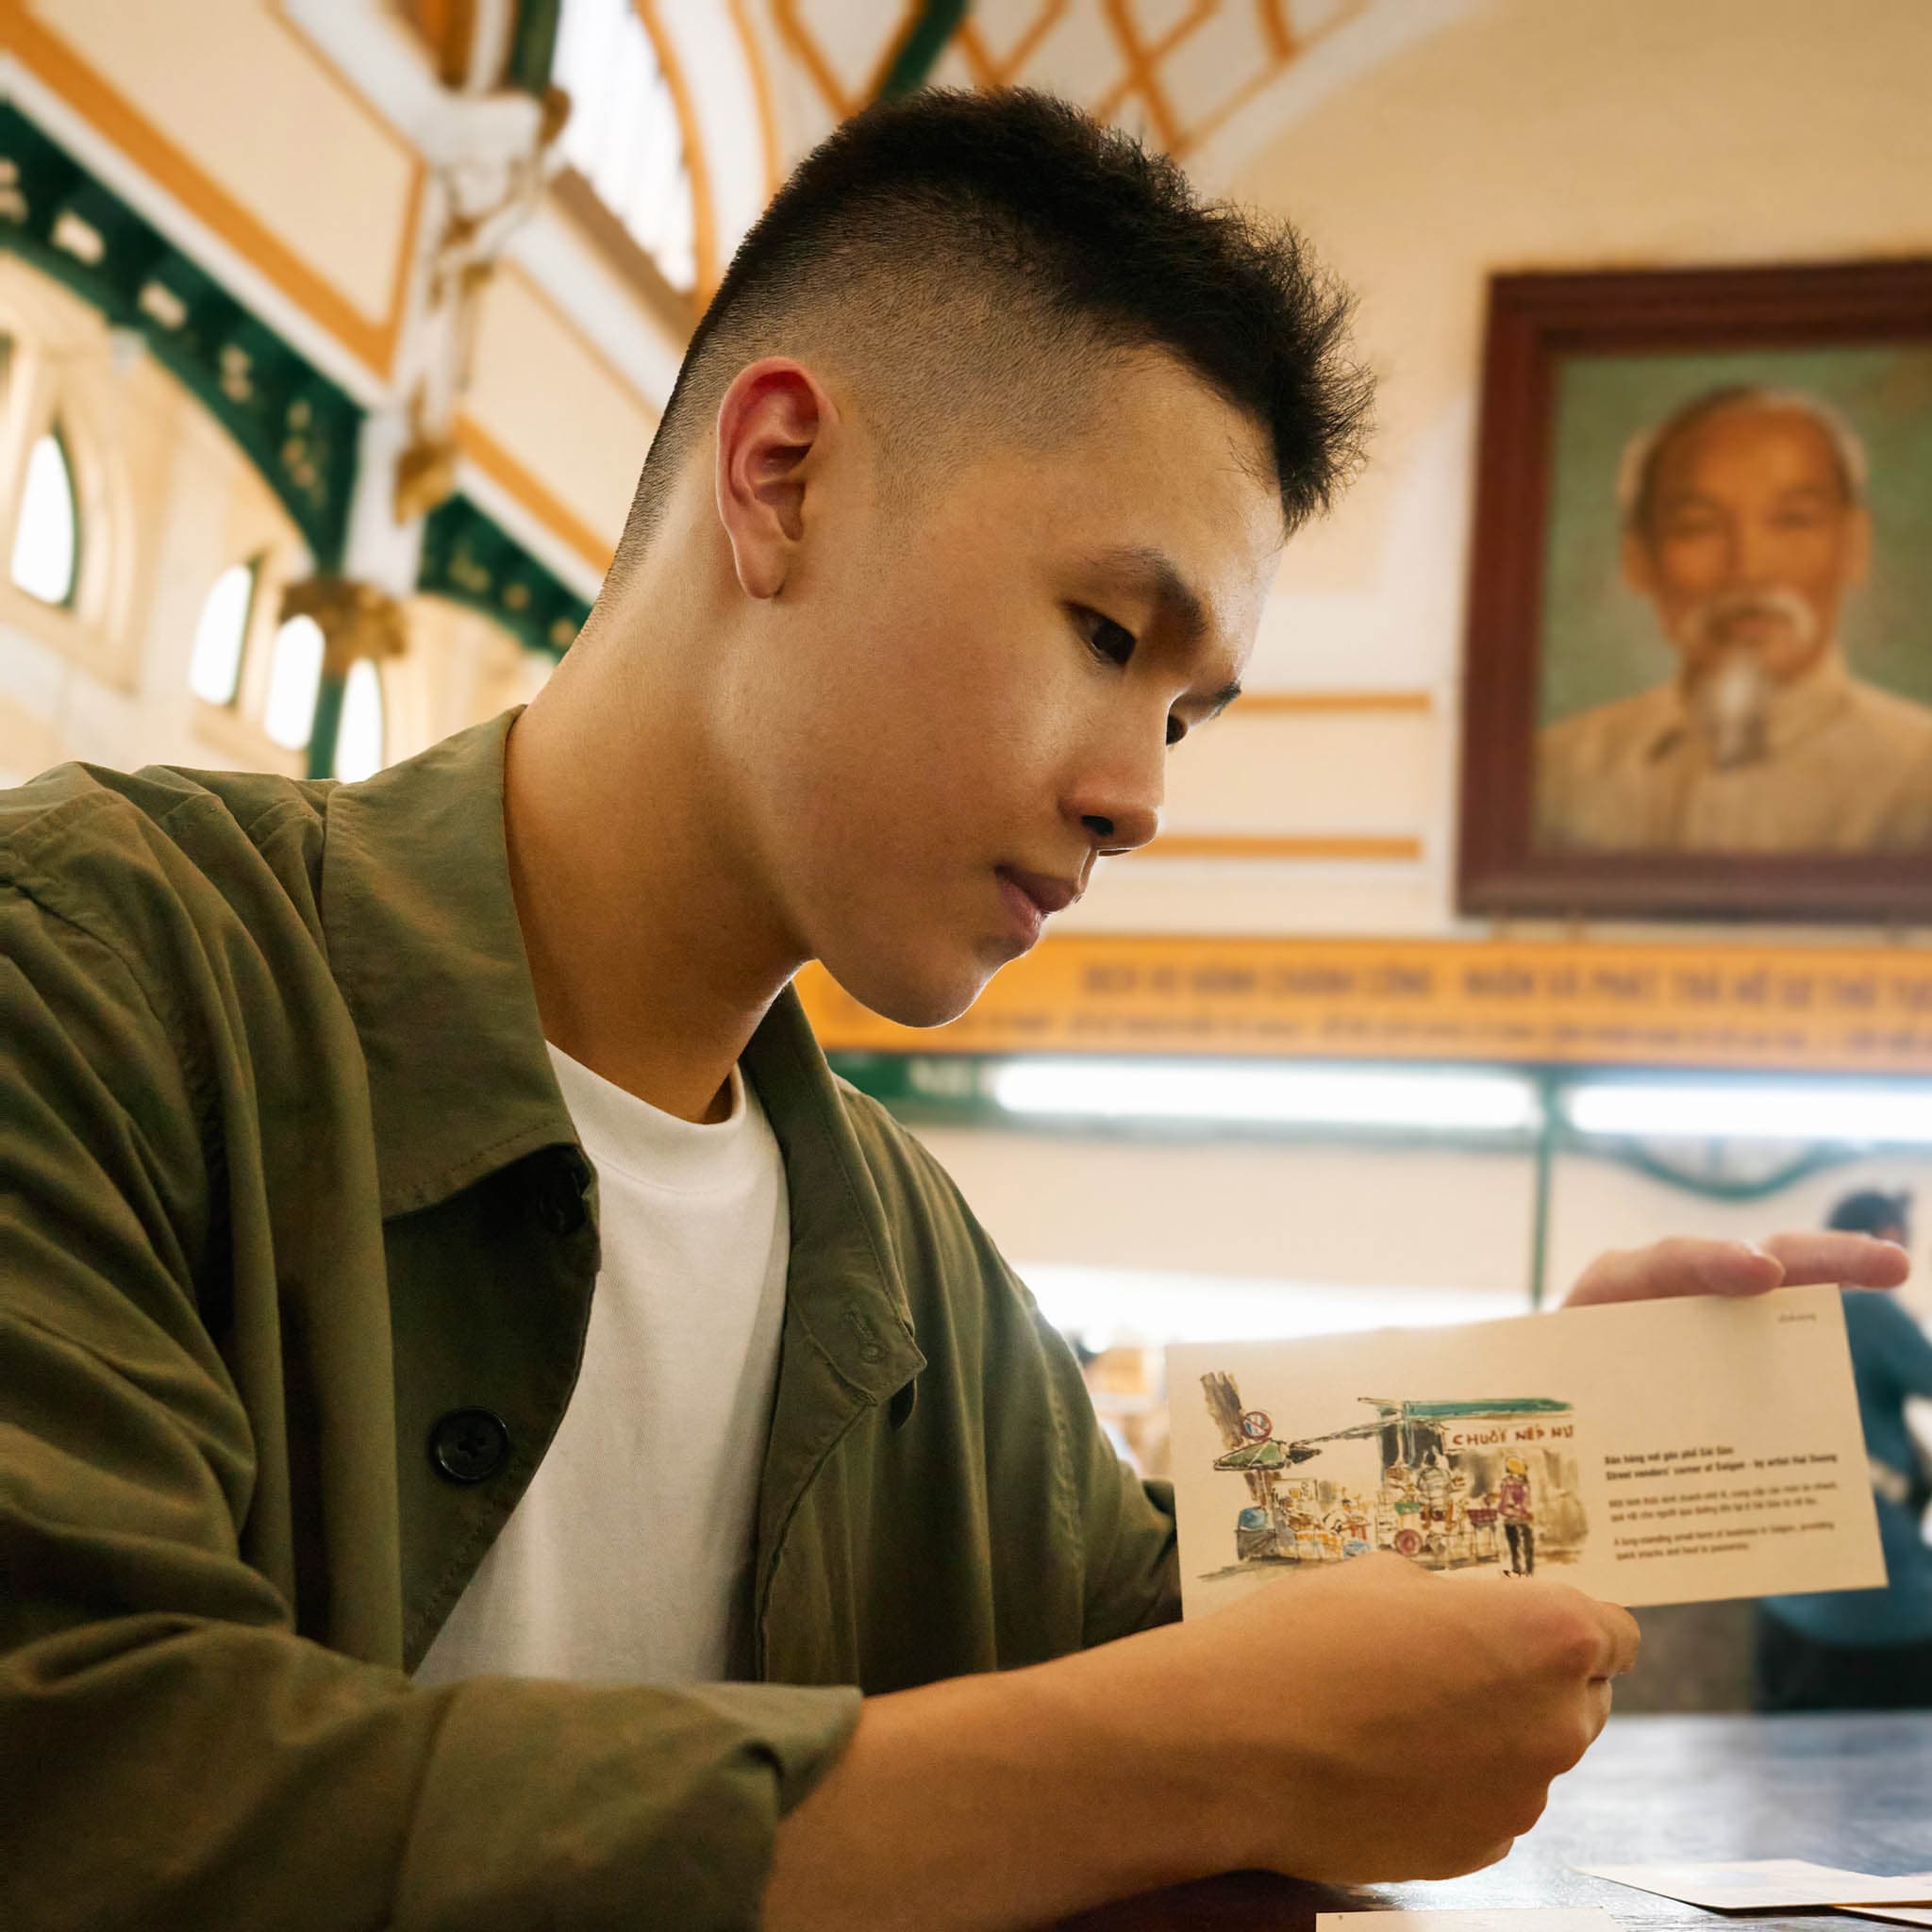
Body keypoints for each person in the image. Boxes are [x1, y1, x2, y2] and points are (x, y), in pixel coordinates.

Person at [0, 88, 1909, 1930]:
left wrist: (1552, 1440)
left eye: (1181, 716)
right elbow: (101, 1786)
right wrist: (1169, 1764)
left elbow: (1159, 1635)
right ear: (780, 479)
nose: (1137, 798)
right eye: (1106, 633)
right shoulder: (97, 972)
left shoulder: (903, 1253)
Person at [1535, 385, 1932, 854]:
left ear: (1854, 546)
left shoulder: (1918, 773)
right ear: (1638, 561)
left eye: (1793, 520)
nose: (1749, 570)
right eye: (1698, 527)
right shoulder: (1555, 773)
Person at [1755, 1190, 1932, 1711]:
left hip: (1787, 1605)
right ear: (1889, 1239)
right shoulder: (1867, 1309)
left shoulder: (1777, 1314)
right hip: (1880, 1608)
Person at [1499, 1457, 1537, 1575]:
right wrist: (1519, 1512)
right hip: (1513, 1520)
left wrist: (1526, 1511)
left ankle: (1527, 1570)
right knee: (1516, 1547)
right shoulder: (1508, 1485)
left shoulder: (1523, 1484)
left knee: (1525, 1547)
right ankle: (1520, 1570)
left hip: (1522, 1520)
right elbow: (1503, 1507)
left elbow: (1527, 1503)